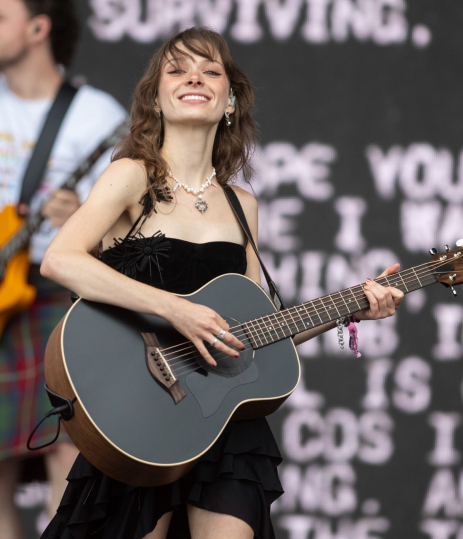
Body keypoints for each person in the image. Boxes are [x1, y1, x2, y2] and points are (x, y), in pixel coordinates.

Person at [39, 27, 404, 539]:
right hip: (138, 409)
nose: (194, 77)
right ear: (156, 98)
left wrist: (351, 309)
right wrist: (176, 309)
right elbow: (60, 260)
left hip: (222, 421)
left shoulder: (243, 206)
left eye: (211, 71)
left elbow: (251, 335)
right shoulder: (130, 175)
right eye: (177, 69)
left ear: (230, 100)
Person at [0, 0, 126, 536]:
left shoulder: (98, 116)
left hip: (59, 291)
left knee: (66, 451)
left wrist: (83, 222)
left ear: (38, 27)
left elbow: (130, 226)